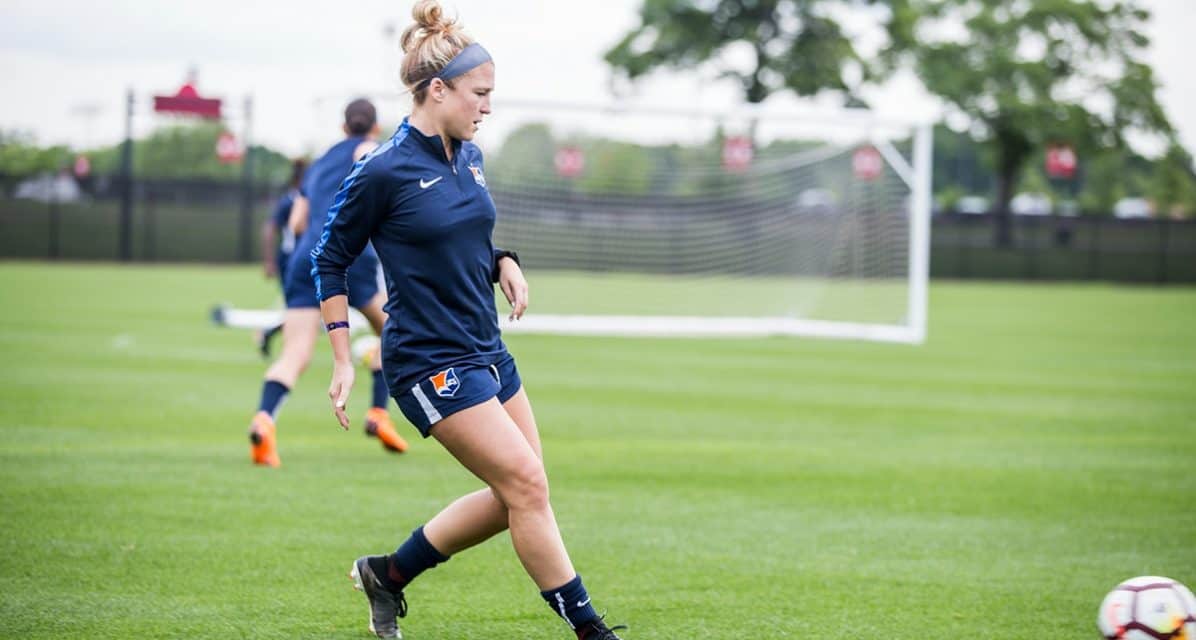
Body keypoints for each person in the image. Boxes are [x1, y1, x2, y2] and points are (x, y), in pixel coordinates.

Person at [311, 3, 625, 638]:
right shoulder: (383, 170)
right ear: (438, 90)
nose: (487, 107)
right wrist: (343, 356)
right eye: (479, 94)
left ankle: (387, 575)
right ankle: (593, 632)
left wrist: (502, 260)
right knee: (526, 486)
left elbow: (463, 239)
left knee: (521, 495)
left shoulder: (471, 156)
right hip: (428, 361)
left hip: (487, 349)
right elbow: (329, 259)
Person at [247, 98, 409, 467]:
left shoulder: (318, 164)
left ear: (342, 126)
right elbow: (372, 161)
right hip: (352, 257)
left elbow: (296, 224)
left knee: (294, 354)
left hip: (307, 258)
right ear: (373, 127)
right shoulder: (369, 148)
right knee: (394, 332)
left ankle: (264, 419)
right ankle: (378, 413)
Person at [255, 158, 307, 358]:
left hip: (303, 260)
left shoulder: (305, 199)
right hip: (291, 261)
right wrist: (269, 262)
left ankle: (272, 334)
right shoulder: (290, 201)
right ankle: (280, 342)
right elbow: (269, 229)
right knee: (301, 308)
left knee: (309, 308)